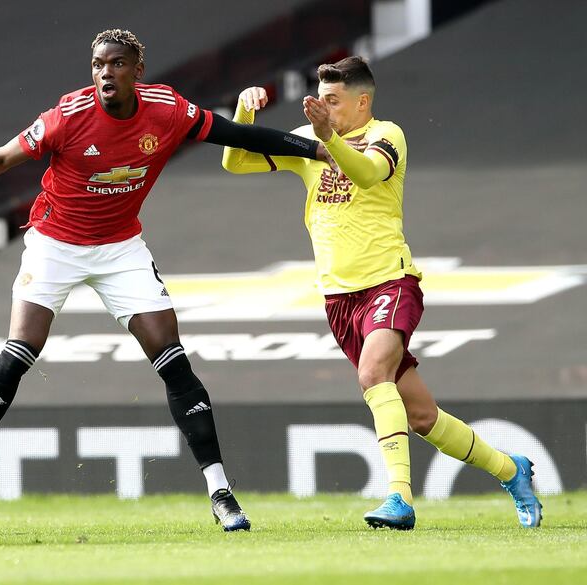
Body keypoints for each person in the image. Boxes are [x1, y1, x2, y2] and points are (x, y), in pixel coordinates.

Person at [0, 29, 330, 532]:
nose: (105, 74)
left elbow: (235, 134)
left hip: (120, 248)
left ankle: (221, 493)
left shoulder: (167, 110)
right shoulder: (68, 117)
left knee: (174, 361)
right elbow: (1, 158)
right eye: (98, 65)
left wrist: (311, 149)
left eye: (116, 64)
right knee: (21, 347)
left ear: (137, 70)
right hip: (55, 243)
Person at [221, 56, 542, 530]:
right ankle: (511, 470)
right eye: (320, 99)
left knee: (373, 374)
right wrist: (244, 114)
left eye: (333, 100)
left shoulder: (386, 135)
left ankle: (399, 500)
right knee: (421, 415)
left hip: (389, 283)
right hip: (338, 299)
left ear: (362, 101)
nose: (323, 108)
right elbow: (236, 161)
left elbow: (367, 174)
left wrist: (326, 137)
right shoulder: (311, 138)